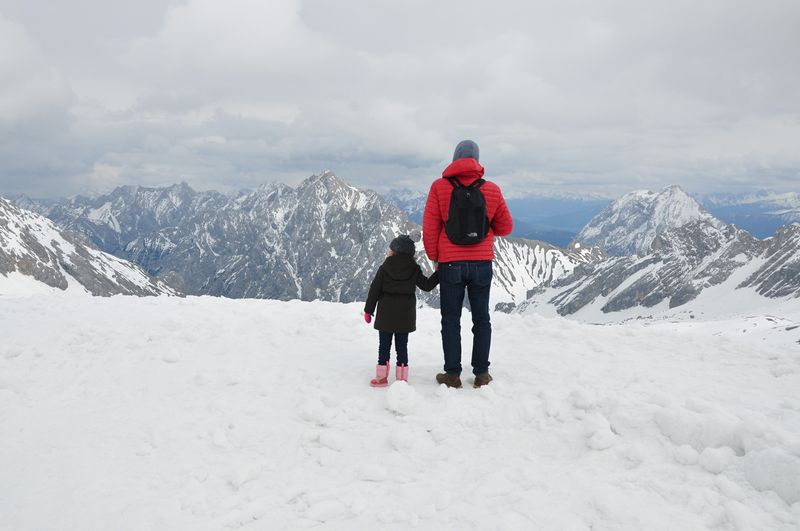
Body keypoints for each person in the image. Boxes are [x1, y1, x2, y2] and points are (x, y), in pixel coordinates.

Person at [422, 140, 513, 388]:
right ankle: (481, 374)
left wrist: (435, 258)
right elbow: (506, 227)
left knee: (450, 319)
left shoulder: (439, 187)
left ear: (454, 158)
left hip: (451, 263)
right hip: (482, 262)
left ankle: (452, 375)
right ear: (477, 160)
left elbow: (430, 228)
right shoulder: (492, 189)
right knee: (481, 318)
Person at [363, 235, 439, 387]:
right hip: (405, 315)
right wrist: (439, 272)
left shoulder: (384, 267)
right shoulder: (414, 268)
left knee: (384, 346)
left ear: (395, 251)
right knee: (401, 346)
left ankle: (381, 377)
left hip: (386, 313)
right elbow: (426, 285)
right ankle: (402, 378)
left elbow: (374, 289)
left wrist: (368, 310)